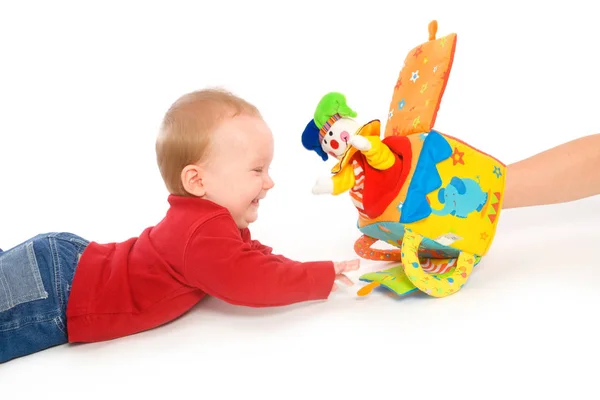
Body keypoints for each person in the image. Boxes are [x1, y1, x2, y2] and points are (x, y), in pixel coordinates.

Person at [0, 88, 361, 364]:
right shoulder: (201, 233)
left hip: (63, 268)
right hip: (59, 290)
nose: (269, 183)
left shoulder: (201, 223)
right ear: (197, 181)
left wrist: (305, 268)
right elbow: (251, 279)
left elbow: (251, 257)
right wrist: (317, 277)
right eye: (257, 170)